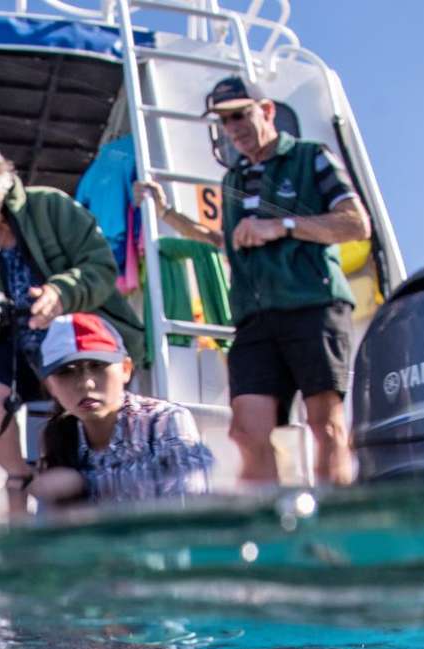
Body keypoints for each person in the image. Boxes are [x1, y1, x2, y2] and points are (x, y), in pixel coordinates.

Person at [136, 76, 371, 486]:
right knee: (245, 431)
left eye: (240, 115)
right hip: (254, 316)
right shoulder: (232, 180)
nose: (233, 128)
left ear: (267, 111)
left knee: (325, 425)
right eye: (225, 121)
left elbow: (356, 224)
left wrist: (282, 225)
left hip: (312, 303)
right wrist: (167, 212)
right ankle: (269, 532)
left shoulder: (311, 156)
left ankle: (338, 525)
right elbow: (223, 241)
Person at [0, 132, 147, 513]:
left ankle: (100, 473)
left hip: (78, 336)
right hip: (15, 346)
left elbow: (100, 266)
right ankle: (19, 476)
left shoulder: (50, 205)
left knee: (74, 390)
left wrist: (60, 293)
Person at [28, 312, 213, 508]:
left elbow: (192, 502)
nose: (86, 383)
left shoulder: (165, 420)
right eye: (66, 371)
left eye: (97, 365)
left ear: (125, 369)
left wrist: (85, 483)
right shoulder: (58, 437)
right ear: (50, 387)